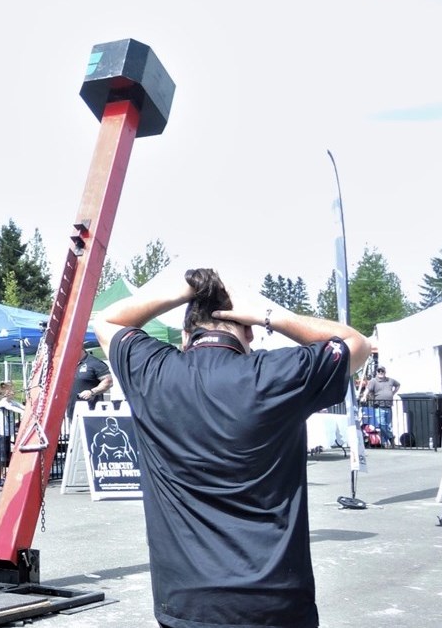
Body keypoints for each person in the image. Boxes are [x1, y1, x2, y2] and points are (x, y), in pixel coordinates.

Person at [93, 268, 370, 628]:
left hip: (189, 603)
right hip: (276, 601)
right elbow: (356, 344)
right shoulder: (278, 373)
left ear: (186, 334)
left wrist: (184, 291)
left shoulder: (154, 371)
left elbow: (107, 321)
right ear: (249, 330)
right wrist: (270, 315)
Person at [360, 365, 400, 447]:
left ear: (385, 372)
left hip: (388, 406)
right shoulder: (374, 381)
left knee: (388, 426)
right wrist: (364, 396)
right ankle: (391, 438)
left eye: (382, 371)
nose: (380, 372)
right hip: (379, 406)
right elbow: (367, 389)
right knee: (381, 424)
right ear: (377, 372)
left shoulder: (390, 380)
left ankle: (384, 443)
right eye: (379, 371)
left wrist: (393, 393)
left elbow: (398, 385)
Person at [69, 349, 113, 419]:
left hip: (91, 413)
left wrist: (92, 392)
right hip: (71, 411)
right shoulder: (68, 364)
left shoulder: (94, 363)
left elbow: (108, 381)